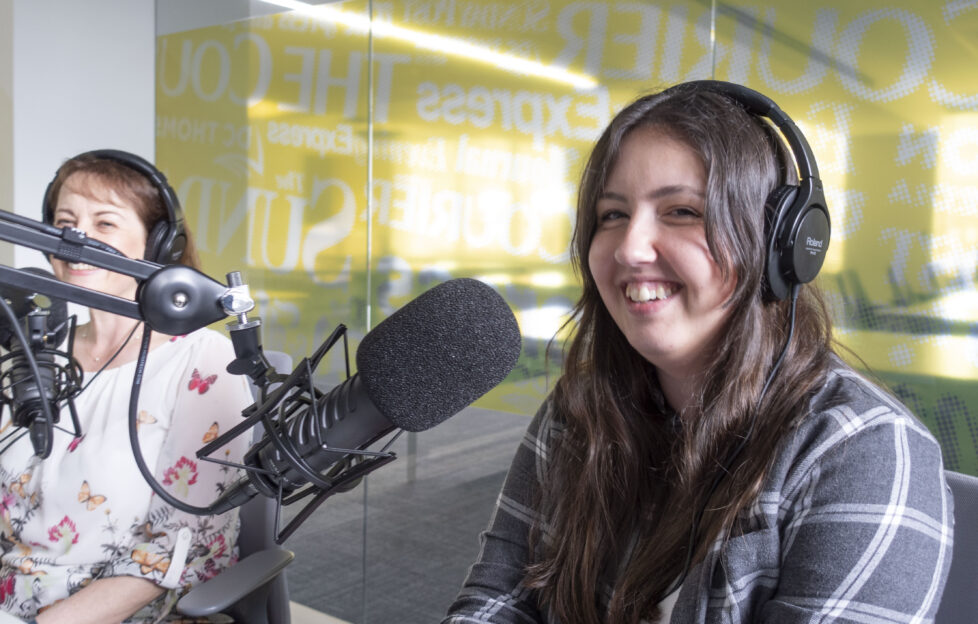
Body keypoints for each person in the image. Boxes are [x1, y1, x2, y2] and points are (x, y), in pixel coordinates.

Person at [443, 82, 953, 623]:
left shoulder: (862, 450)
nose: (631, 247)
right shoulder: (584, 406)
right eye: (612, 215)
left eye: (682, 211)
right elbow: (497, 599)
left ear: (779, 244)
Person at [0, 151, 253, 623]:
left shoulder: (201, 360)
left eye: (105, 224)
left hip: (125, 609)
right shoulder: (38, 352)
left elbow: (178, 548)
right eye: (64, 222)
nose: (77, 239)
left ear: (156, 245)